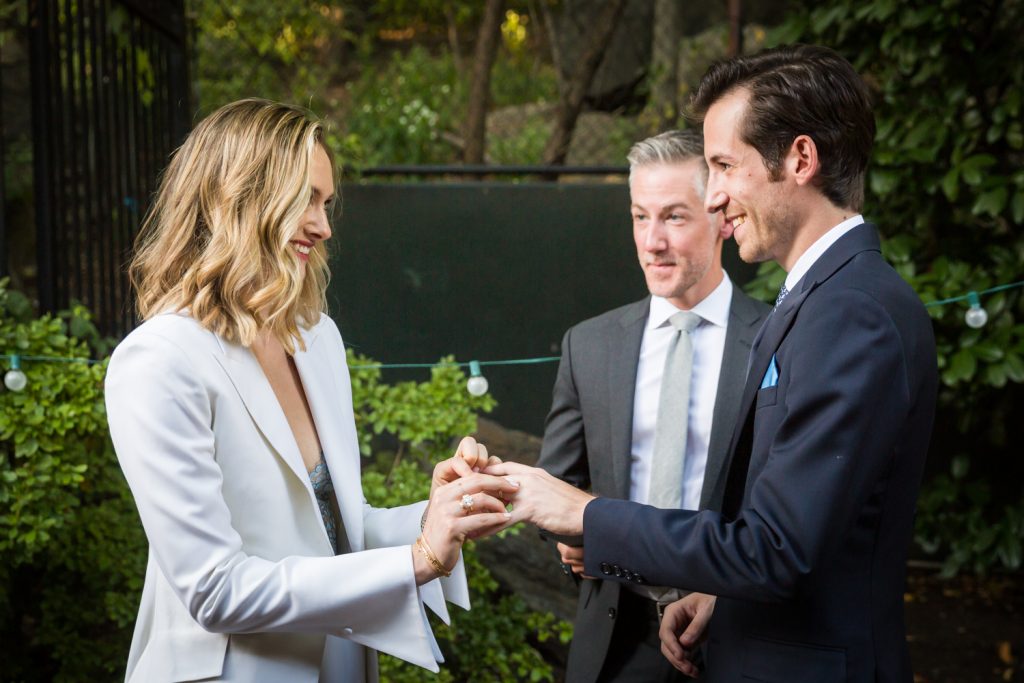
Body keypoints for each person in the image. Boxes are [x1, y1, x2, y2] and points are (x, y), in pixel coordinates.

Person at [491, 44, 938, 682]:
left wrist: (585, 513)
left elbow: (776, 551)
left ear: (800, 159)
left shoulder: (850, 313)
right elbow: (797, 534)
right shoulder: (821, 298)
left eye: (725, 165)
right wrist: (719, 594)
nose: (716, 195)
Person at [105, 98, 518, 683]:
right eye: (308, 200)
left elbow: (335, 533)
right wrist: (415, 561)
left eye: (326, 203)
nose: (325, 226)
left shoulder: (315, 338)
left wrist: (441, 515)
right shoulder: (159, 360)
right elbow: (216, 590)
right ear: (239, 200)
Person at [535, 130, 768, 683]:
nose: (652, 241)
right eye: (640, 217)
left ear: (721, 217)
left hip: (736, 635)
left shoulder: (775, 339)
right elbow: (557, 486)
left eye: (674, 217)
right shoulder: (589, 345)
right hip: (616, 639)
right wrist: (572, 537)